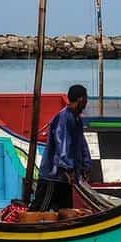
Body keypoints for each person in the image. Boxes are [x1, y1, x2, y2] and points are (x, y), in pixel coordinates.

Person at [30, 84, 92, 212]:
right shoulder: (63, 118)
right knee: (39, 211)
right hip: (53, 176)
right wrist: (68, 169)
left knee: (65, 213)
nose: (86, 103)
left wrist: (85, 167)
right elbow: (62, 145)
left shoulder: (77, 119)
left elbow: (82, 144)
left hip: (66, 179)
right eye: (86, 99)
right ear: (81, 99)